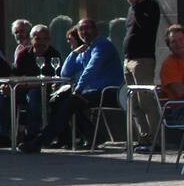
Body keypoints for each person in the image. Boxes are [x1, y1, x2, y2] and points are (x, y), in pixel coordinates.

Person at [19, 18, 123, 153]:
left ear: (96, 30)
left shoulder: (102, 45)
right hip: (91, 91)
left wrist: (78, 89)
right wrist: (74, 53)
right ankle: (79, 137)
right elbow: (65, 72)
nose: (84, 32)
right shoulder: (86, 49)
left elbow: (91, 69)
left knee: (72, 102)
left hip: (109, 91)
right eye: (81, 30)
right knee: (58, 99)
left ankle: (40, 141)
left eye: (87, 28)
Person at [0, 24, 61, 148]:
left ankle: (32, 134)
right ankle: (2, 135)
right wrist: (7, 86)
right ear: (31, 39)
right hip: (23, 88)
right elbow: (14, 75)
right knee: (3, 94)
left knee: (34, 95)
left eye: (45, 39)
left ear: (49, 40)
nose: (41, 43)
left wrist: (25, 85)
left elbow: (49, 80)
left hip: (44, 91)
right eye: (38, 39)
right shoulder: (24, 54)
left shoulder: (53, 55)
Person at [121, 0, 161, 139]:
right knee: (133, 103)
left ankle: (158, 139)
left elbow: (145, 26)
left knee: (146, 100)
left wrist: (135, 6)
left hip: (142, 60)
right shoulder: (132, 9)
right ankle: (145, 137)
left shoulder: (150, 6)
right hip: (128, 59)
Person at [157, 25, 184, 105]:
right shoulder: (168, 64)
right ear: (169, 46)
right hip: (183, 108)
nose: (178, 44)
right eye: (173, 41)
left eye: (181, 40)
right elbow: (180, 92)